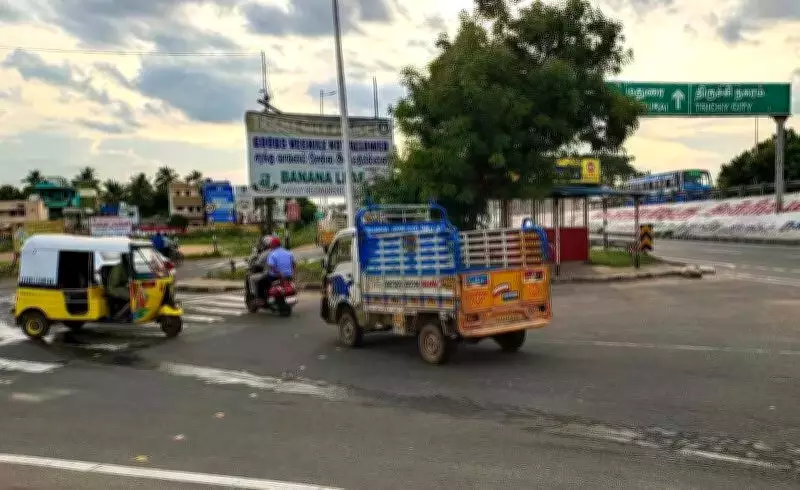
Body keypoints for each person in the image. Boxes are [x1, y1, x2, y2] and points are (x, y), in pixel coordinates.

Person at [107, 255, 131, 319]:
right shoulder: (119, 268)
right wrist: (127, 283)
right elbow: (115, 282)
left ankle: (127, 314)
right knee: (133, 298)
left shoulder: (127, 266)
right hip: (114, 288)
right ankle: (119, 315)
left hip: (122, 287)